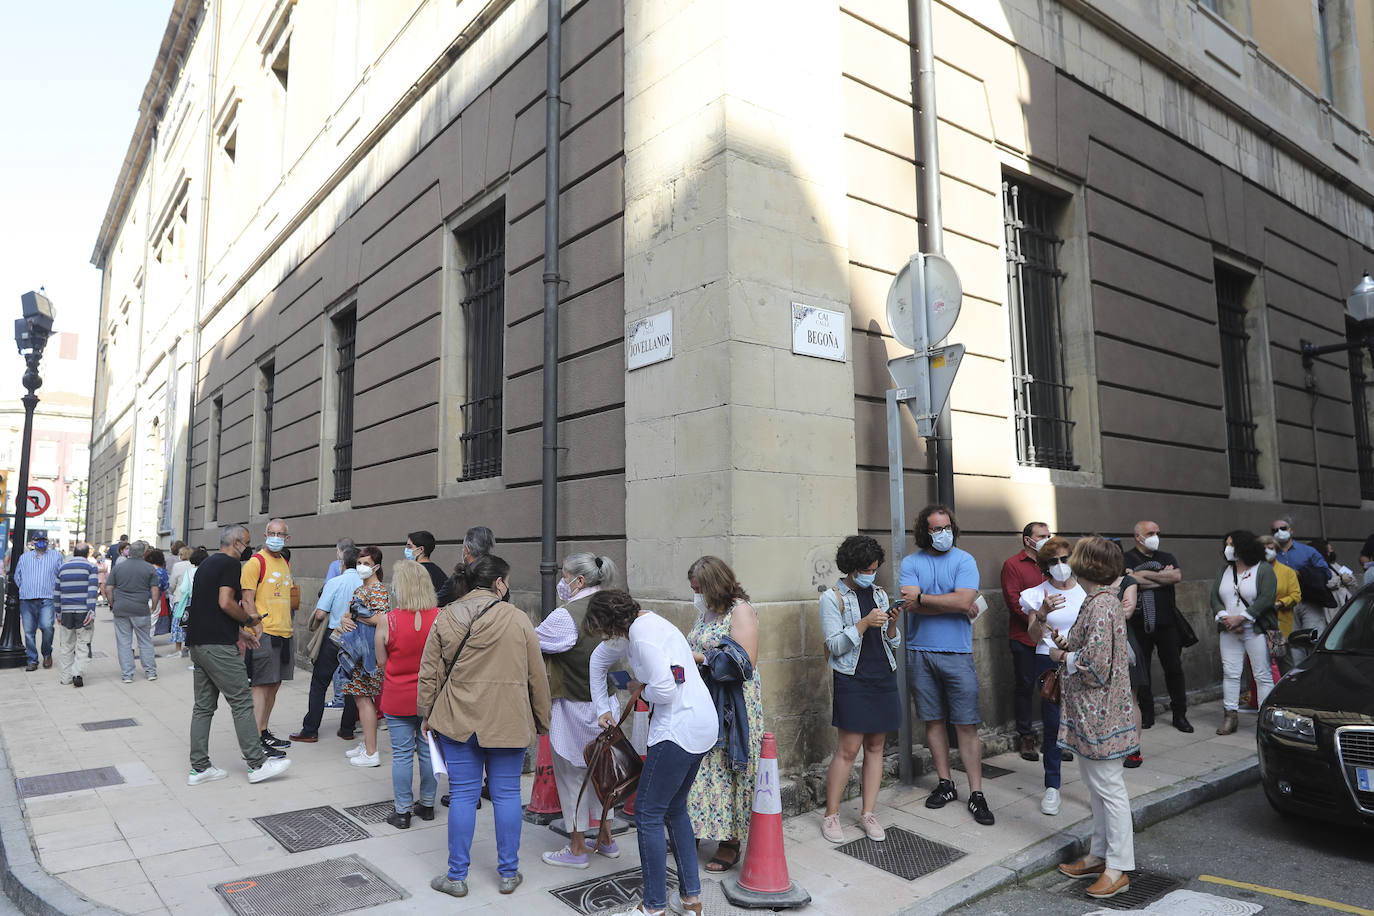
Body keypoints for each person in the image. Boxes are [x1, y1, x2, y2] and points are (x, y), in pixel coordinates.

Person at [418, 555, 550, 899]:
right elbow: (537, 675)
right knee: (507, 796)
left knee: (463, 795)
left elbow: (429, 672)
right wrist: (542, 719)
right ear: (499, 583)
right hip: (507, 719)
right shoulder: (518, 619)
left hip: (457, 719)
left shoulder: (446, 616)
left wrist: (426, 714)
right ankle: (508, 873)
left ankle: (456, 876)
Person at [589, 590, 717, 916]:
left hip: (677, 730)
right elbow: (599, 659)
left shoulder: (640, 637)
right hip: (701, 723)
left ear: (612, 624)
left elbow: (664, 689)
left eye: (603, 629)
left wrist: (637, 688)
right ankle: (691, 900)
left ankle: (654, 906)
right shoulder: (648, 624)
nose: (605, 637)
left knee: (647, 813)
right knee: (675, 809)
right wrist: (602, 706)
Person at [1051, 536, 1139, 900]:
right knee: (1097, 788)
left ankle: (1118, 868)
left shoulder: (1102, 604)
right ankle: (1099, 855)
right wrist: (1068, 645)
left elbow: (1097, 665)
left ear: (1087, 565)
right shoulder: (1098, 601)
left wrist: (1064, 658)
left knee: (1109, 790)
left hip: (1100, 714)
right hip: (1091, 714)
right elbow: (1092, 648)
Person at [898, 504, 994, 826]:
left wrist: (925, 600)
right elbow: (909, 606)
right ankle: (945, 783)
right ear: (925, 531)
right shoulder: (911, 563)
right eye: (936, 529)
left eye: (947, 527)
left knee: (966, 724)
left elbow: (965, 601)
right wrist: (949, 603)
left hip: (956, 653)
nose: (943, 533)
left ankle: (976, 793)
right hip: (919, 652)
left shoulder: (964, 560)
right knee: (933, 721)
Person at [185, 525, 291, 785]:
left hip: (199, 644)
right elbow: (225, 602)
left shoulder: (206, 565)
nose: (248, 547)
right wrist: (248, 620)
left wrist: (238, 632)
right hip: (218, 647)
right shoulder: (232, 565)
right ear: (235, 543)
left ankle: (199, 768)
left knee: (203, 707)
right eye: (246, 542)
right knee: (242, 701)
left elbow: (208, 608)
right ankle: (257, 764)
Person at [538, 553, 622, 869]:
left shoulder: (566, 616)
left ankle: (576, 848)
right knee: (604, 774)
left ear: (579, 580)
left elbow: (533, 641)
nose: (562, 581)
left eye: (564, 575)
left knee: (573, 774)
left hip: (575, 705)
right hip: (607, 703)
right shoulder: (612, 606)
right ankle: (606, 838)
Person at [818, 535, 901, 844]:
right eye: (867, 568)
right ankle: (832, 815)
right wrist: (864, 623)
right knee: (848, 749)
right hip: (852, 677)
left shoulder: (880, 594)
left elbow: (894, 643)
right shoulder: (832, 598)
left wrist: (892, 623)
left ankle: (868, 813)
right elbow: (835, 645)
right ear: (852, 568)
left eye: (875, 567)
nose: (872, 573)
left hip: (883, 674)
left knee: (877, 747)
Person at [684, 555, 762, 870]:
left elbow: (745, 662)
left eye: (699, 588)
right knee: (702, 772)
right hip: (705, 702)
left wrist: (699, 658)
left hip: (732, 706)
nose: (695, 594)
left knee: (728, 770)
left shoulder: (740, 611)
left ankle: (730, 841)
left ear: (714, 585)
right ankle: (698, 828)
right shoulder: (707, 613)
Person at [1021, 536, 1086, 816]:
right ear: (1045, 566)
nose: (1060, 565)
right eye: (1053, 561)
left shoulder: (1087, 591)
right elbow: (1033, 636)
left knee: (1087, 722)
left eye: (1064, 559)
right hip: (1049, 661)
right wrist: (1043, 614)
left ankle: (1096, 785)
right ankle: (1052, 786)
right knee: (1052, 722)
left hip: (1084, 660)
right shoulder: (1036, 594)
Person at [375, 560, 441, 829]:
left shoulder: (386, 620)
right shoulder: (440, 616)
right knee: (428, 751)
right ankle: (427, 805)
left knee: (402, 754)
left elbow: (381, 661)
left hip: (397, 695)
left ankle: (402, 812)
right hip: (430, 697)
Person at [1123, 521, 1191, 733]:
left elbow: (1177, 577)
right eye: (1150, 533)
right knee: (1142, 672)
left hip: (1167, 622)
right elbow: (1129, 581)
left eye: (1157, 533)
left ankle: (1180, 714)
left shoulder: (1166, 557)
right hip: (1138, 623)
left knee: (1174, 669)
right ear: (1138, 536)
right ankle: (1146, 714)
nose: (1155, 536)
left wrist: (1142, 576)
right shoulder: (1126, 558)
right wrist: (1163, 577)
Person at [291, 547, 362, 743]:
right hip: (357, 638)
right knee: (351, 683)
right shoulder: (366, 585)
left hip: (335, 636)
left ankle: (310, 729)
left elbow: (321, 613)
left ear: (343, 563)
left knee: (319, 683)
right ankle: (347, 729)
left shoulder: (335, 582)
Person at [1210, 530, 1277, 735]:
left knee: (1262, 674)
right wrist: (1225, 617)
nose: (1228, 548)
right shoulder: (1225, 570)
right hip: (1229, 631)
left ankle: (1264, 720)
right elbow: (1215, 597)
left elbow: (1266, 597)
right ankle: (1230, 716)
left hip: (1254, 630)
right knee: (1230, 673)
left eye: (1232, 544)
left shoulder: (1263, 569)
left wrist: (1243, 617)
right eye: (1226, 544)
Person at [240, 520, 296, 757]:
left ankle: (263, 731)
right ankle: (253, 744)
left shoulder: (283, 561)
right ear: (265, 535)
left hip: (284, 632)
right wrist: (256, 625)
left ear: (287, 538)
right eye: (271, 533)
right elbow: (247, 598)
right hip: (265, 633)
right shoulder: (256, 562)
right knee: (261, 686)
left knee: (274, 684)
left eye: (280, 534)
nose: (275, 537)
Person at [1000, 521, 1050, 761]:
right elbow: (1013, 602)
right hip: (1024, 638)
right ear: (1027, 540)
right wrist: (1037, 622)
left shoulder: (1053, 565)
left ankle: (1054, 739)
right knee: (1025, 687)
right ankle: (1026, 737)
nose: (1047, 540)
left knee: (1052, 688)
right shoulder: (1013, 565)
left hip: (1052, 640)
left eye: (1049, 536)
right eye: (1042, 536)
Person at [339, 546, 388, 767]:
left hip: (367, 653)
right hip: (358, 650)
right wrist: (345, 619)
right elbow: (351, 613)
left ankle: (371, 752)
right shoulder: (361, 588)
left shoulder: (377, 589)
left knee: (364, 698)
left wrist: (357, 616)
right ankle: (368, 744)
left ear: (376, 567)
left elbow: (381, 619)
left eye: (366, 564)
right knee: (361, 698)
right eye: (360, 563)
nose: (362, 567)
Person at [1271, 517, 1332, 665]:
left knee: (1314, 639)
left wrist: (1301, 573)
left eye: (1283, 528)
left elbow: (1326, 572)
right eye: (1275, 530)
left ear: (1291, 531)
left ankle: (1319, 675)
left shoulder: (1307, 551)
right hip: (1285, 606)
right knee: (1292, 645)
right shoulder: (1271, 555)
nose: (1279, 532)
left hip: (1309, 601)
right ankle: (1299, 679)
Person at [102, 540, 160, 683]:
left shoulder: (118, 567)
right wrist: (154, 605)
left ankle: (127, 674)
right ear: (143, 553)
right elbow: (155, 590)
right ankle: (150, 672)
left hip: (121, 609)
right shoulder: (149, 568)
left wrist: (112, 603)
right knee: (145, 641)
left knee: (124, 642)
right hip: (141, 609)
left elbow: (108, 589)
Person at [14, 531, 62, 671]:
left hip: (47, 598)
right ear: (32, 541)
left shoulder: (56, 556)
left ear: (48, 541)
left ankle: (47, 653)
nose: (41, 542)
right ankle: (32, 660)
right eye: (37, 539)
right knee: (29, 631)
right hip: (27, 599)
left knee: (47, 627)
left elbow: (60, 576)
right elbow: (18, 577)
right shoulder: (24, 557)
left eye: (44, 539)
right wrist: (25, 588)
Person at [55, 543, 98, 688]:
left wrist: (58, 612)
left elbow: (57, 592)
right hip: (83, 611)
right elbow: (92, 591)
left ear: (74, 553)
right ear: (88, 554)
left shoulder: (62, 568)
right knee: (83, 643)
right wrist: (91, 611)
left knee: (66, 644)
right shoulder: (90, 567)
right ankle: (78, 673)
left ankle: (65, 677)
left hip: (66, 611)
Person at [1310, 539, 1356, 624]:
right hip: (1334, 606)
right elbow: (1327, 582)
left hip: (1345, 601)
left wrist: (1343, 579)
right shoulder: (1318, 567)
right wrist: (1341, 579)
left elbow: (1351, 578)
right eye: (1329, 550)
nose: (1331, 551)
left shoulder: (1334, 565)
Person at [406, 530, 450, 599]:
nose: (406, 550)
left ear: (420, 549)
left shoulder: (414, 572)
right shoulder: (438, 571)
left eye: (410, 547)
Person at [166, 547, 193, 657]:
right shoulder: (194, 565)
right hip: (192, 598)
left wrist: (171, 592)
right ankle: (189, 647)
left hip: (180, 597)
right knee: (189, 623)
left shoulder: (177, 566)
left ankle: (178, 649)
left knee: (178, 623)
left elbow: (172, 583)